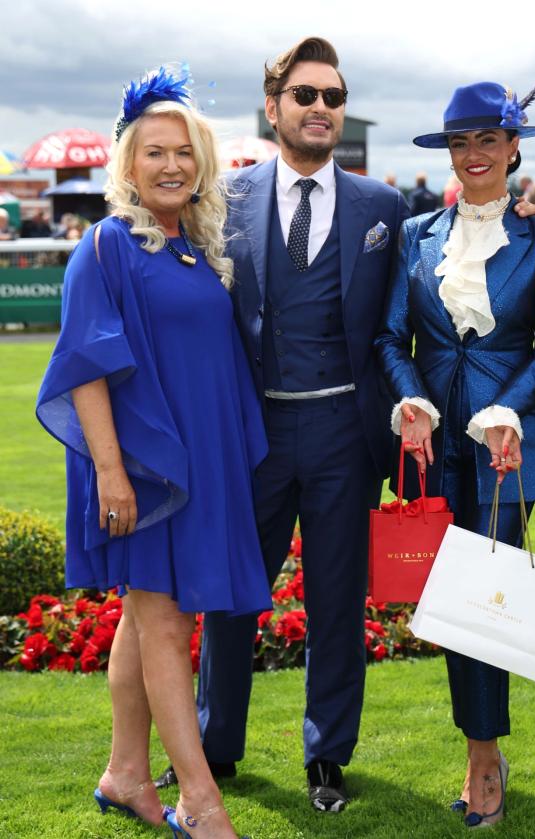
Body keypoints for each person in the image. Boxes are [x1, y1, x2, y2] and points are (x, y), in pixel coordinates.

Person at [168, 37, 409, 813]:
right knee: (232, 593)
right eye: (305, 95)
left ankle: (328, 756)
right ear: (273, 107)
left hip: (346, 429)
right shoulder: (223, 198)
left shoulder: (383, 210)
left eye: (333, 97)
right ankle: (215, 747)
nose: (320, 109)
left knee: (338, 600)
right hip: (255, 432)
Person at [35, 67, 271, 839]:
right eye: (154, 152)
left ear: (200, 164)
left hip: (198, 464)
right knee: (164, 622)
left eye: (183, 153)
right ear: (127, 164)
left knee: (147, 621)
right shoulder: (104, 247)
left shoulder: (193, 249)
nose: (171, 165)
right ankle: (200, 797)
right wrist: (109, 470)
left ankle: (126, 772)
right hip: (138, 469)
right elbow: (86, 366)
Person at [375, 78, 535, 829]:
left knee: (481, 601)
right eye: (461, 143)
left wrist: (507, 407)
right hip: (431, 439)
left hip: (502, 440)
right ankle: (481, 747)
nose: (474, 155)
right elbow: (392, 338)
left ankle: (482, 758)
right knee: (448, 606)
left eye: (488, 140)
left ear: (514, 145)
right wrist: (410, 401)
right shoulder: (417, 234)